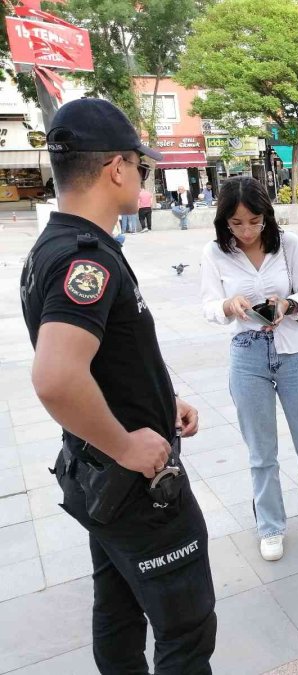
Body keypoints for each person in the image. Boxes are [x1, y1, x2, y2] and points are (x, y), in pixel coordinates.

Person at [20, 98, 215, 673]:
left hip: (100, 479)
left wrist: (157, 399)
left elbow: (105, 358)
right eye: (142, 165)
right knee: (185, 628)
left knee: (119, 609)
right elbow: (56, 378)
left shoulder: (53, 248)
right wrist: (130, 444)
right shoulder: (88, 260)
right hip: (135, 488)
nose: (142, 177)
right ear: (116, 168)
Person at [200, 176, 298, 561]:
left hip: (294, 352)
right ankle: (271, 525)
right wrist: (229, 306)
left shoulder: (290, 244)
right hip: (247, 355)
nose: (246, 231)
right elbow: (209, 306)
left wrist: (288, 305)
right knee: (261, 453)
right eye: (237, 223)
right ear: (224, 221)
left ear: (268, 216)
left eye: (255, 221)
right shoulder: (215, 253)